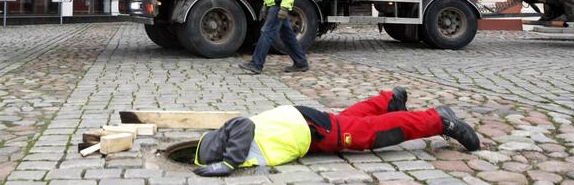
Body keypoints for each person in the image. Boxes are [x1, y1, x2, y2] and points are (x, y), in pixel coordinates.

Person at [193, 87, 480, 177]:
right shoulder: (231, 145)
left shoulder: (233, 137)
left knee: (371, 134)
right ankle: (389, 101)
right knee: (347, 122)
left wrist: (228, 163)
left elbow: (244, 123)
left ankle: (439, 120)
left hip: (309, 129)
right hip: (308, 133)